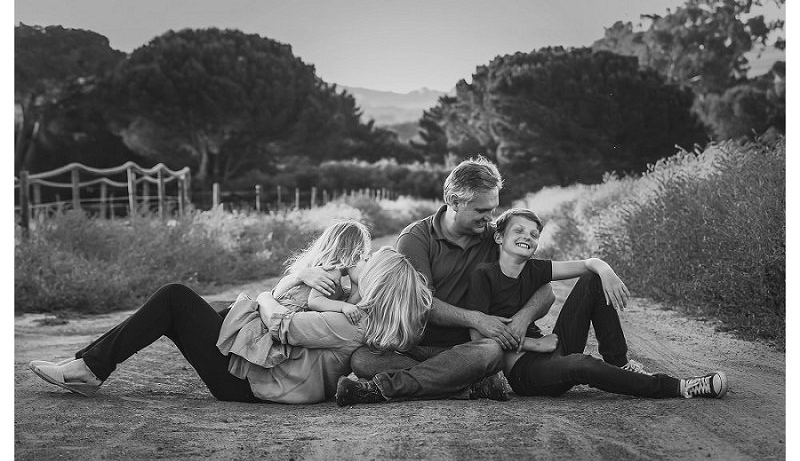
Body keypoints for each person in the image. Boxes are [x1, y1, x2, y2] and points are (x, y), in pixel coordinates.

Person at [29, 247, 432, 405]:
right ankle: (87, 363)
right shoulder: (355, 316)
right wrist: (289, 287)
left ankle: (88, 368)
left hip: (245, 384)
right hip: (257, 377)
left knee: (174, 297)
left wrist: (275, 291)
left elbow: (281, 325)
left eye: (366, 265)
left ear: (376, 282)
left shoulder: (352, 324)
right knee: (208, 311)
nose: (355, 264)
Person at [336, 156, 547, 406]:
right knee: (362, 359)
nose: (490, 217)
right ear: (453, 201)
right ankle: (467, 387)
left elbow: (545, 289)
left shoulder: (497, 239)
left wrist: (523, 319)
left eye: (493, 209)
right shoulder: (416, 239)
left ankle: (382, 389)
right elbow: (422, 304)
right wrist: (476, 318)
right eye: (481, 210)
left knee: (491, 351)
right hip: (415, 348)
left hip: (469, 348)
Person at [465, 207, 728, 399]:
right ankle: (681, 387)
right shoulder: (484, 275)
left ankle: (619, 362)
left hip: (551, 350)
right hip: (527, 373)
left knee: (591, 279)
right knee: (582, 364)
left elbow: (589, 264)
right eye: (519, 230)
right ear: (499, 237)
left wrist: (606, 271)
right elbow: (478, 339)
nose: (528, 237)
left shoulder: (534, 269)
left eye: (534, 234)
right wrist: (533, 343)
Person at [216, 220, 371, 370]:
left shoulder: (329, 273)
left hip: (278, 309)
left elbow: (277, 294)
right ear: (352, 253)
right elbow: (315, 301)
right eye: (363, 255)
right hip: (281, 314)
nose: (366, 261)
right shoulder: (331, 272)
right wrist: (343, 306)